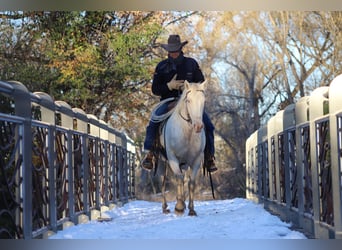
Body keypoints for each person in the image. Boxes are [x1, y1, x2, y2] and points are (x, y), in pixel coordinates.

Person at [141, 34, 217, 173]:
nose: (173, 52)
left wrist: (190, 88)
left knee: (209, 125)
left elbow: (200, 83)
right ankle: (150, 154)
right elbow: (155, 89)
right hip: (168, 101)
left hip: (190, 102)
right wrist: (169, 86)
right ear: (168, 51)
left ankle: (209, 157)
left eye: (176, 49)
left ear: (180, 48)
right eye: (171, 50)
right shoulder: (161, 66)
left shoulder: (191, 63)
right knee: (153, 121)